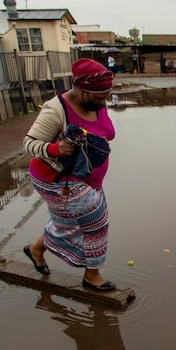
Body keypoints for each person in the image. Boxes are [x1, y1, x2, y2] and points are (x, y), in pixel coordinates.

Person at [22, 58, 117, 292]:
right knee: (96, 221)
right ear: (81, 89)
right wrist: (55, 149)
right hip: (56, 179)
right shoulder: (55, 110)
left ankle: (35, 249)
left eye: (105, 96)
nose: (102, 102)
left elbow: (104, 130)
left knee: (65, 223)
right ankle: (92, 275)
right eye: (98, 97)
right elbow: (29, 143)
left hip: (88, 178)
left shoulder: (96, 103)